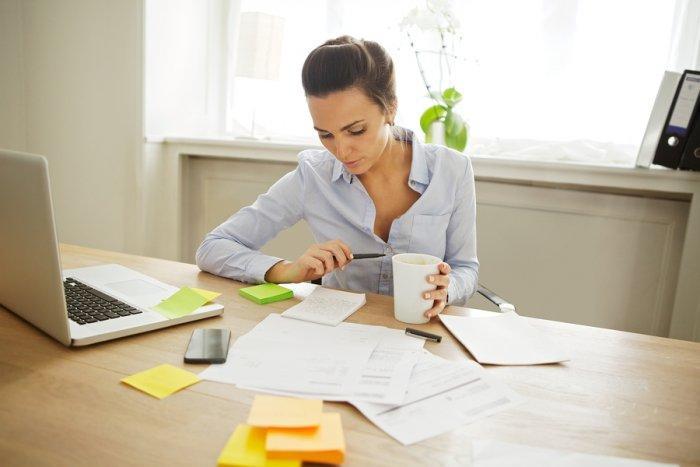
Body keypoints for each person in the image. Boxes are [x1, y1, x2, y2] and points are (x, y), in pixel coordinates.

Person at [196, 35, 478, 319]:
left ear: (390, 108)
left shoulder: (452, 170)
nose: (341, 151)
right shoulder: (313, 175)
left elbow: (465, 268)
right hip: (340, 333)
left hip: (425, 334)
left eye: (356, 131)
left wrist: (448, 287)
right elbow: (213, 247)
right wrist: (286, 270)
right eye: (325, 134)